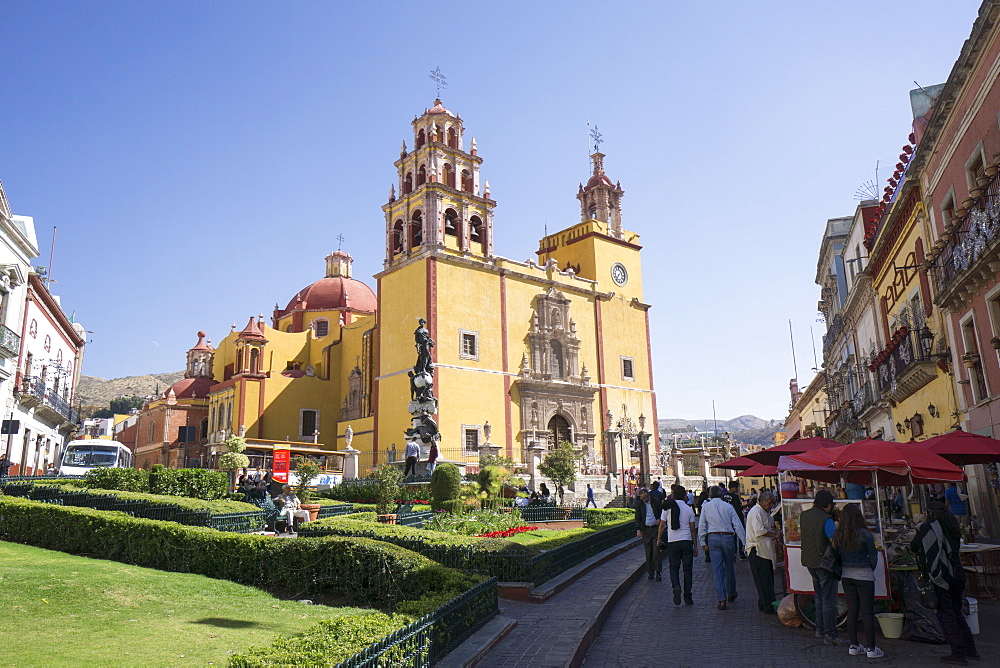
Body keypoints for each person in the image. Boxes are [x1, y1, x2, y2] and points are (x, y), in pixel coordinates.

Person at [911, 501, 978, 664]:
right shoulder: (953, 527)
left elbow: (914, 546)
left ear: (930, 513)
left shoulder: (929, 528)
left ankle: (958, 653)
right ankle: (970, 649)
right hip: (957, 572)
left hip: (942, 574)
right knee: (956, 612)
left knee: (947, 613)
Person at [832, 503, 882, 659]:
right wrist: (867, 570)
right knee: (867, 612)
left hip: (847, 575)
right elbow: (873, 557)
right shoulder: (865, 534)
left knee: (852, 611)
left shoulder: (838, 535)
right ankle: (871, 648)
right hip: (864, 575)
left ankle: (853, 645)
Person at [800, 489, 842, 644]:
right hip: (824, 563)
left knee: (818, 597)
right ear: (829, 504)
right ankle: (830, 634)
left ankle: (820, 629)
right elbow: (834, 540)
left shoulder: (804, 515)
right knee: (828, 599)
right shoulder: (826, 519)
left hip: (809, 561)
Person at [698, 486, 746, 609]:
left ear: (709, 495)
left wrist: (702, 541)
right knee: (729, 566)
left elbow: (702, 524)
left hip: (713, 537)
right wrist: (744, 542)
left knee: (717, 569)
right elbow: (737, 525)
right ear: (721, 495)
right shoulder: (728, 506)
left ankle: (721, 599)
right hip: (728, 537)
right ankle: (731, 592)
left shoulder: (706, 507)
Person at [658, 484, 696, 605]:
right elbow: (692, 530)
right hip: (686, 541)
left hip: (673, 541)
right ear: (685, 496)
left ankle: (676, 586)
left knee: (674, 567)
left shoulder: (667, 508)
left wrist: (659, 539)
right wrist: (695, 545)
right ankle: (688, 596)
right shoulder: (689, 509)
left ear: (673, 495)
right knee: (687, 569)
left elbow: (662, 525)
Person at [745, 490, 781, 615]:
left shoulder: (764, 512)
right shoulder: (756, 512)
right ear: (762, 501)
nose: (771, 505)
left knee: (767, 579)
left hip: (765, 550)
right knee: (763, 579)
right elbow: (759, 531)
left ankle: (765, 602)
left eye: (773, 503)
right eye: (769, 503)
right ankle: (767, 604)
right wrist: (775, 534)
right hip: (757, 550)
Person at [635, 487, 663, 580]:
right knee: (648, 552)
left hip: (655, 529)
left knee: (656, 551)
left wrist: (660, 519)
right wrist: (638, 529)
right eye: (643, 498)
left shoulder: (655, 501)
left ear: (648, 495)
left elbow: (662, 512)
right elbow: (638, 517)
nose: (645, 500)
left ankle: (658, 572)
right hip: (646, 530)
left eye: (646, 497)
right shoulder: (639, 504)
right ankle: (650, 572)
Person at [725, 480, 748, 560]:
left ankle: (733, 553)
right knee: (740, 533)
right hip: (737, 517)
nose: (738, 489)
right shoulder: (735, 496)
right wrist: (747, 505)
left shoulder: (724, 496)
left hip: (728, 518)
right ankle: (742, 553)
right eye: (737, 487)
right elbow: (738, 508)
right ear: (734, 487)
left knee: (732, 536)